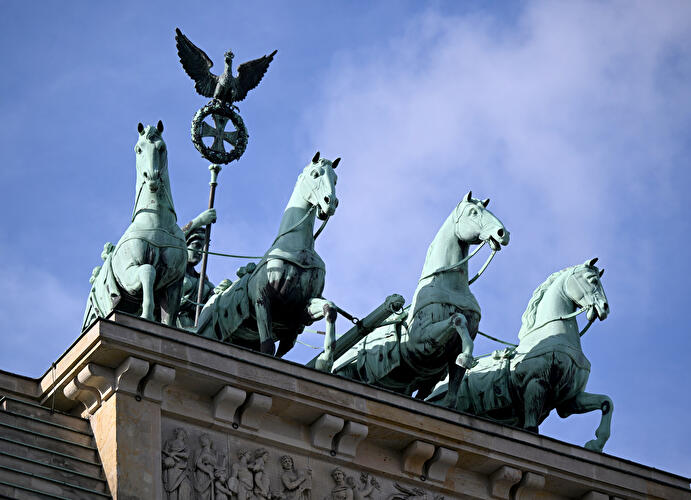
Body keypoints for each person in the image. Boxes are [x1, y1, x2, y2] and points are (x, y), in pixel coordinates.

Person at [178, 209, 217, 329]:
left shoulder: (203, 281)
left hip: (197, 332)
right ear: (185, 244)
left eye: (204, 248)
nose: (201, 252)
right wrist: (198, 221)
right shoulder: (171, 272)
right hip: (172, 326)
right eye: (197, 246)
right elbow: (173, 237)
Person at [162, 428, 192, 500]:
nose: (181, 434)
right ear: (176, 433)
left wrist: (176, 453)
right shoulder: (169, 442)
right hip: (172, 468)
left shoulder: (186, 446)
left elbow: (187, 455)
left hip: (182, 469)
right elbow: (164, 455)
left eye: (183, 433)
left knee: (185, 486)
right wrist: (168, 459)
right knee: (172, 489)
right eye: (180, 433)